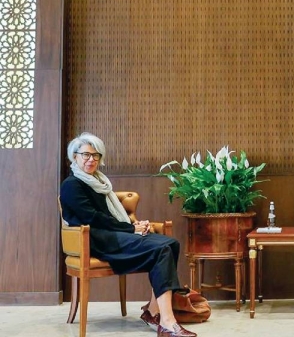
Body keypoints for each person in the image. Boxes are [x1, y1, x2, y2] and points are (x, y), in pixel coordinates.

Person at [59, 133, 196, 337]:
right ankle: (167, 322)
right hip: (95, 240)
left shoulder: (100, 182)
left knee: (171, 244)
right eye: (86, 155)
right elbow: (93, 218)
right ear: (74, 157)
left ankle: (153, 311)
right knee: (161, 248)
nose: (91, 160)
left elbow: (111, 216)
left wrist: (134, 224)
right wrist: (131, 229)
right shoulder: (72, 185)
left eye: (96, 155)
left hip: (115, 235)